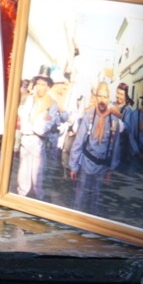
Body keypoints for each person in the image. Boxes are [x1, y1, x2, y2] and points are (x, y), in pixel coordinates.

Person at [67, 83, 125, 213]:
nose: (102, 100)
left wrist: (111, 170)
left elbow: (115, 148)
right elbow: (78, 142)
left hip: (102, 169)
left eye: (105, 97)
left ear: (108, 99)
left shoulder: (114, 120)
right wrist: (74, 167)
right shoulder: (89, 116)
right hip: (86, 164)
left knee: (96, 203)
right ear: (96, 97)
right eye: (100, 96)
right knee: (79, 200)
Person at [13, 69, 63, 199]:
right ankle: (21, 197)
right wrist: (34, 122)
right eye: (38, 83)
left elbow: (44, 128)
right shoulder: (30, 100)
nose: (40, 87)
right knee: (23, 175)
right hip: (26, 140)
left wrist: (33, 122)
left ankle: (37, 200)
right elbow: (23, 120)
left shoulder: (52, 104)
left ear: (48, 87)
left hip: (38, 143)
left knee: (37, 177)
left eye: (43, 84)